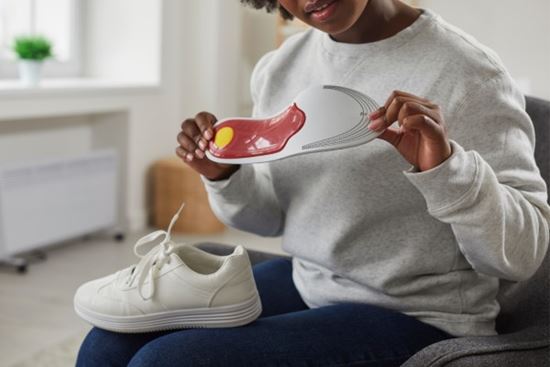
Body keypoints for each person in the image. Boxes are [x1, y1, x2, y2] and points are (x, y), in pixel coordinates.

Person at [77, 0, 550, 365]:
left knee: (166, 362)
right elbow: (269, 219)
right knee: (111, 343)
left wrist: (445, 169)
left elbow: (524, 255)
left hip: (416, 315)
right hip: (311, 281)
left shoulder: (468, 71)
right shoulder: (282, 67)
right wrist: (225, 174)